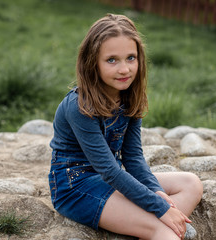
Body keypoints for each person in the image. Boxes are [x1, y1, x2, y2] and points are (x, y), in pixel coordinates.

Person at [49, 13, 203, 240]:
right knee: (163, 229)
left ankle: (150, 228)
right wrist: (159, 209)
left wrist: (156, 193)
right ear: (92, 63)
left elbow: (132, 158)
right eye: (112, 60)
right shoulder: (78, 106)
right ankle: (155, 230)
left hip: (109, 179)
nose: (124, 69)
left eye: (131, 58)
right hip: (76, 186)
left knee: (191, 183)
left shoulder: (129, 96)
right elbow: (110, 170)